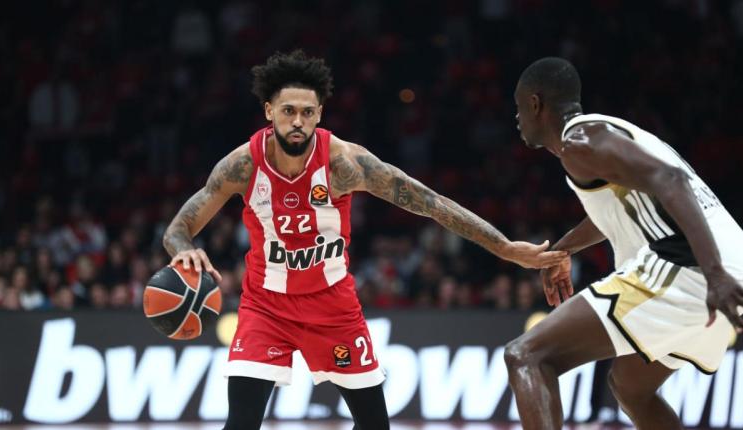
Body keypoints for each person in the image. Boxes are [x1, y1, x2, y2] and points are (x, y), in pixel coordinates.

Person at [162, 50, 567, 430]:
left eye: (307, 112)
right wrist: (185, 250)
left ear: (320, 114)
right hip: (265, 305)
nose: (298, 121)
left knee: (375, 425)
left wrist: (503, 247)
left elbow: (429, 202)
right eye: (288, 111)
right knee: (241, 423)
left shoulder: (344, 163)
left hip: (332, 305)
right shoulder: (242, 165)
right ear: (269, 111)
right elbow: (177, 230)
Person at [504, 57, 743, 429]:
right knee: (630, 388)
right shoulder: (605, 138)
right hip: (730, 271)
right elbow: (614, 213)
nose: (517, 118)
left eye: (519, 107)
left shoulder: (581, 140)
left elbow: (672, 180)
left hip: (694, 270)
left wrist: (714, 274)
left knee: (527, 355)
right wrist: (562, 250)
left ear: (535, 104)